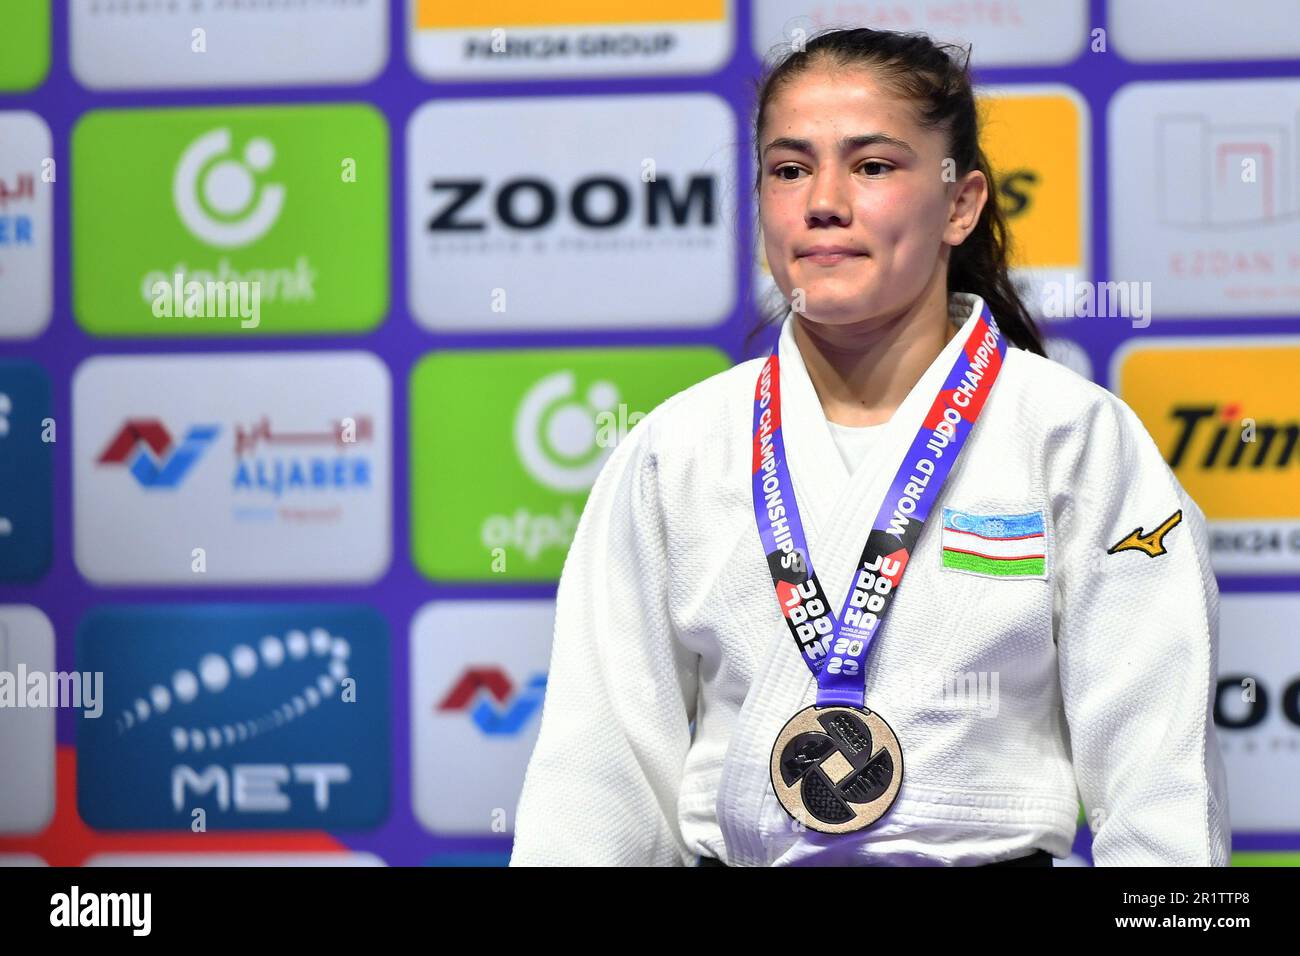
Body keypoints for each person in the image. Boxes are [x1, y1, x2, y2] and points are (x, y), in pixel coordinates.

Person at [508, 27, 1230, 867]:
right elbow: (594, 788)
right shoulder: (679, 449)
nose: (823, 200)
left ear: (960, 205)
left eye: (873, 166)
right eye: (789, 169)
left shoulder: (1074, 438)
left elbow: (1161, 789)